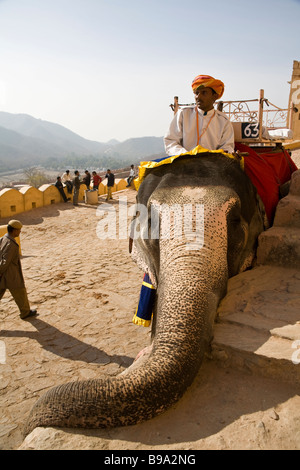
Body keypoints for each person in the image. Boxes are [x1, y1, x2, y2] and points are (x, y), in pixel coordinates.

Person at [164, 74, 234, 156]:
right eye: (196, 93)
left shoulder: (223, 120)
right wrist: (186, 155)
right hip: (185, 163)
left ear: (214, 96)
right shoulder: (183, 114)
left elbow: (227, 147)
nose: (198, 97)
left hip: (212, 165)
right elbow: (170, 141)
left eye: (204, 93)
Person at [0, 220, 37, 320]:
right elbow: (5, 262)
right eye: (19, 230)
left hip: (4, 274)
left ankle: (25, 311)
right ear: (14, 231)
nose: (20, 232)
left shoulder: (4, 238)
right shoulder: (10, 244)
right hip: (11, 274)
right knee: (20, 292)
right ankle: (25, 312)